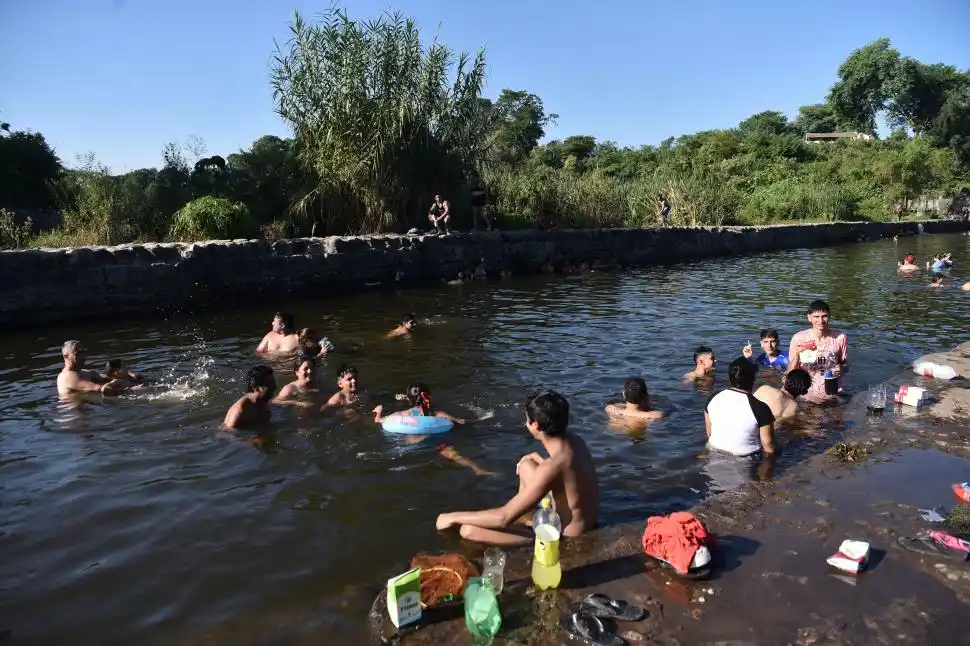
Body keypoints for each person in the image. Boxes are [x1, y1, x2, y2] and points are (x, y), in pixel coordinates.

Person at [435, 390, 599, 546]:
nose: (525, 423)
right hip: (585, 520)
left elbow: (503, 517)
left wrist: (452, 516)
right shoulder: (575, 441)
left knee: (468, 530)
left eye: (527, 419)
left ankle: (534, 540)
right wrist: (542, 461)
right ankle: (526, 517)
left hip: (565, 534)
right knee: (526, 465)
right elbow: (566, 474)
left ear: (535, 425)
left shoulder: (552, 467)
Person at [705, 358, 776, 456]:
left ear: (730, 377)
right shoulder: (760, 408)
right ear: (753, 379)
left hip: (713, 452)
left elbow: (709, 433)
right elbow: (768, 445)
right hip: (745, 460)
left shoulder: (712, 398)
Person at [787, 299, 849, 405]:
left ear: (829, 316)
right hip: (806, 393)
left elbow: (845, 364)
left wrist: (841, 370)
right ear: (809, 317)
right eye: (816, 317)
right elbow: (790, 373)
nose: (821, 320)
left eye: (824, 316)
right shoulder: (799, 338)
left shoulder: (839, 338)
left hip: (832, 392)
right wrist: (797, 355)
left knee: (835, 421)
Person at [57, 340, 127, 396]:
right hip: (74, 413)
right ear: (66, 356)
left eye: (83, 352)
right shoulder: (67, 377)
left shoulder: (85, 372)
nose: (83, 357)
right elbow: (104, 389)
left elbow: (110, 378)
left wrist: (129, 376)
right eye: (77, 354)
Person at [373, 383, 466, 425]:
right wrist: (457, 419)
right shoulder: (435, 413)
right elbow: (460, 421)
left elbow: (378, 421)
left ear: (409, 400)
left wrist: (378, 411)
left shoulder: (404, 414)